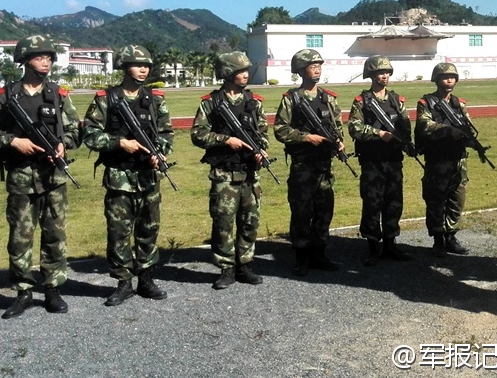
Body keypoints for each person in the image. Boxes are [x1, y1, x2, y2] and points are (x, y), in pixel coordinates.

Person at [0, 35, 81, 318]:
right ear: (25, 60)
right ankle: (23, 292)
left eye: (49, 57)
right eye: (39, 57)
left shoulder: (59, 95)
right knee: (20, 238)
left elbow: (75, 130)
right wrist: (13, 142)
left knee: (55, 236)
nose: (46, 61)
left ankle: (52, 290)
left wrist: (63, 144)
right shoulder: (5, 96)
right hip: (22, 178)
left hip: (53, 177)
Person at [83, 44, 173, 307]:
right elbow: (89, 134)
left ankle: (146, 279)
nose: (144, 69)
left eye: (147, 65)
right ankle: (123, 283)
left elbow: (167, 134)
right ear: (124, 67)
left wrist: (160, 152)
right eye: (137, 64)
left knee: (149, 228)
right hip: (119, 176)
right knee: (119, 232)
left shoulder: (156, 99)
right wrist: (118, 143)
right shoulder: (106, 99)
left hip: (148, 175)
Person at [190, 51, 269, 289]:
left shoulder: (254, 102)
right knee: (223, 221)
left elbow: (263, 133)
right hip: (224, 172)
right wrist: (225, 140)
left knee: (249, 220)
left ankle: (244, 264)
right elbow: (197, 134)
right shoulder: (211, 103)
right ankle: (226, 268)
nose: (245, 75)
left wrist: (261, 150)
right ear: (227, 73)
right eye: (240, 71)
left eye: (246, 71)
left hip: (250, 172)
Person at [273, 49, 344, 277]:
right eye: (313, 66)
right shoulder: (291, 98)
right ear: (301, 70)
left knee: (324, 210)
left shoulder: (328, 98)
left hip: (324, 166)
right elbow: (280, 129)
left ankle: (319, 253)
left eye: (319, 65)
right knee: (302, 211)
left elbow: (337, 127)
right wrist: (306, 137)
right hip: (303, 166)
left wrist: (339, 143)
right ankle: (301, 256)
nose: (317, 69)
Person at [347, 55, 413, 265]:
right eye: (380, 73)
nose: (384, 76)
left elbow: (404, 127)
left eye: (386, 72)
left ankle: (391, 243)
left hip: (393, 160)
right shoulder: (362, 102)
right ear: (371, 75)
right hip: (372, 161)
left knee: (394, 202)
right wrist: (377, 133)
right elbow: (354, 128)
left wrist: (407, 143)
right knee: (373, 202)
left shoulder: (396, 100)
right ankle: (373, 246)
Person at [415, 62, 479, 257]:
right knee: (436, 199)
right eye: (445, 77)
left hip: (458, 159)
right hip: (437, 159)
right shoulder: (426, 103)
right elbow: (425, 125)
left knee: (456, 199)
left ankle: (451, 236)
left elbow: (468, 125)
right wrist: (448, 130)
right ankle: (438, 239)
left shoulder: (459, 103)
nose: (449, 80)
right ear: (437, 80)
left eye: (452, 77)